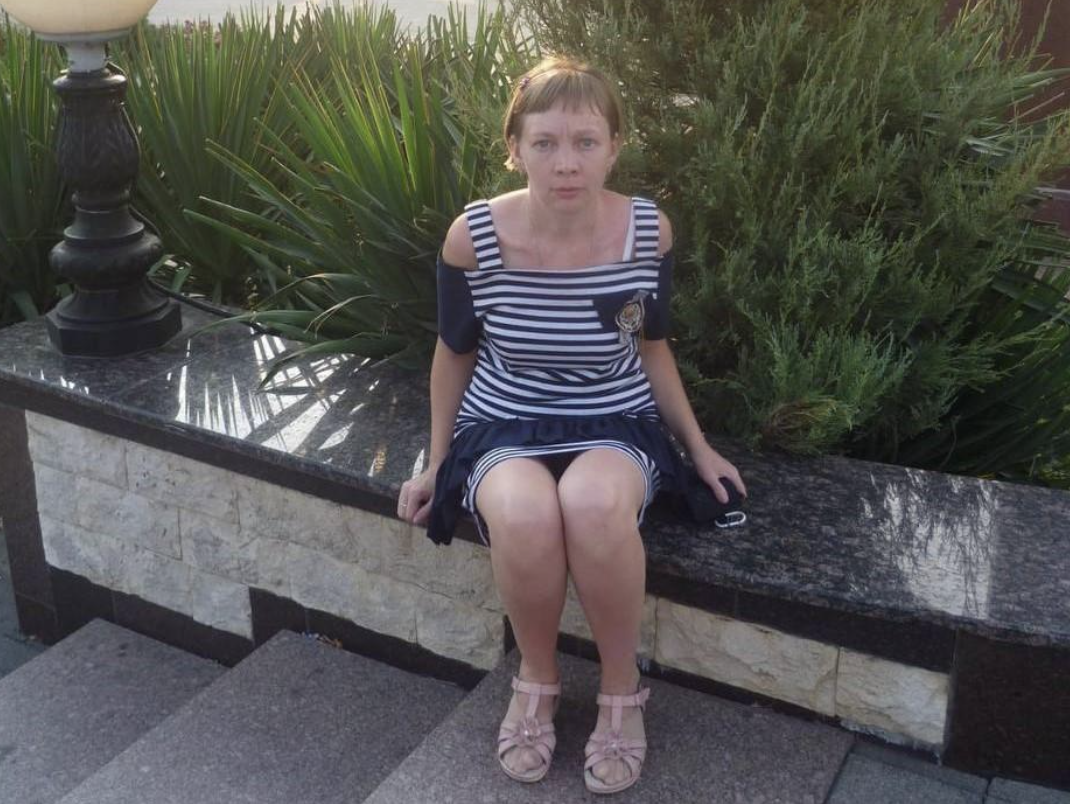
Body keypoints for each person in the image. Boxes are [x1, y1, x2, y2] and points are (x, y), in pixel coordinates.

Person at [396, 55, 748, 795]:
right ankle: (537, 682)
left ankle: (621, 691)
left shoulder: (646, 232)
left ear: (615, 147)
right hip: (504, 420)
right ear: (514, 147)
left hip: (614, 417)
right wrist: (434, 462)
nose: (566, 162)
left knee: (591, 503)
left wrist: (699, 447)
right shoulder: (474, 237)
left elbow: (652, 347)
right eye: (546, 142)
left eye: (586, 141)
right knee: (524, 514)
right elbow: (453, 355)